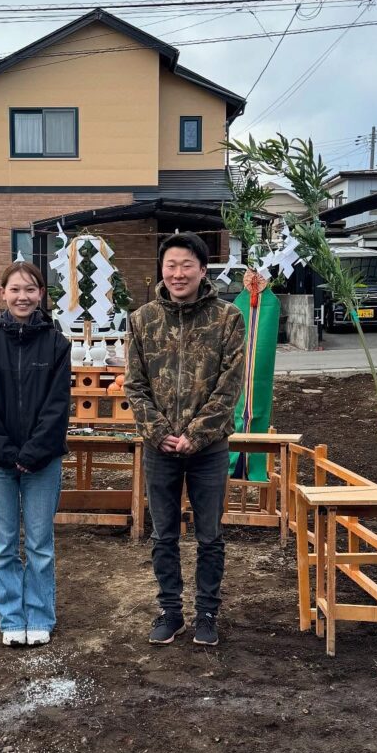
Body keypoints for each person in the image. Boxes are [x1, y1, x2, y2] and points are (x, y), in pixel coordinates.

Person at [124, 232, 245, 647]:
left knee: (210, 534)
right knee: (164, 534)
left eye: (186, 265)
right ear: (162, 269)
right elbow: (134, 387)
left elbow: (230, 387)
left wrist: (195, 435)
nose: (178, 273)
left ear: (202, 269)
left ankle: (207, 612)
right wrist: (160, 433)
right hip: (159, 448)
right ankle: (170, 611)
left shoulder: (227, 318)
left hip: (209, 448)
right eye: (171, 265)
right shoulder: (142, 320)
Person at [0, 261, 71, 648]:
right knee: (3, 544)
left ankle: (40, 614)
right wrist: (8, 453)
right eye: (15, 289)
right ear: (3, 294)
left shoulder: (57, 345)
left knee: (40, 543)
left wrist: (32, 452)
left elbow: (57, 406)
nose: (22, 297)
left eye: (30, 289)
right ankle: (12, 617)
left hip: (43, 461)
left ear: (41, 294)